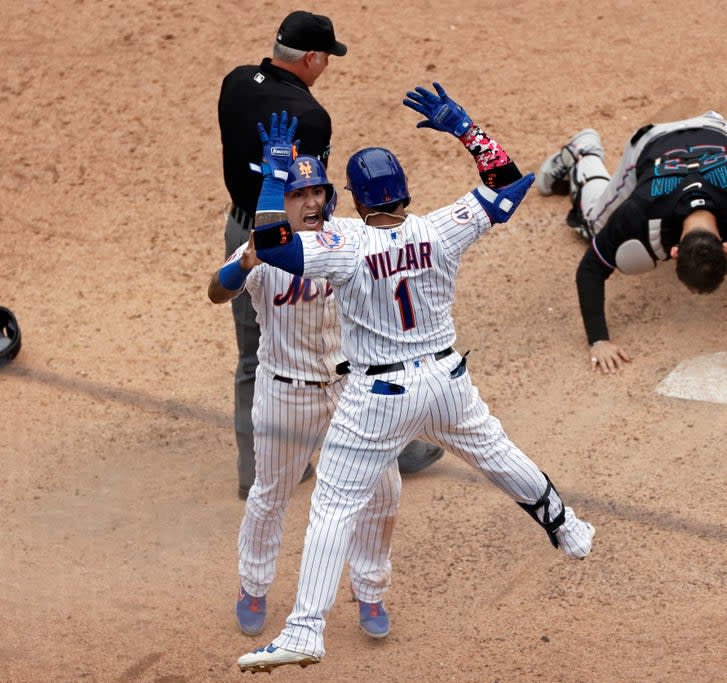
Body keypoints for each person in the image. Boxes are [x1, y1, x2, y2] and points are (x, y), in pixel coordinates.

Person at [235, 84, 596, 674]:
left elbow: (273, 247)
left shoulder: (343, 243)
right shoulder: (441, 227)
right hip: (447, 383)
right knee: (497, 452)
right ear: (403, 191)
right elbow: (509, 187)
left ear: (351, 197)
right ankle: (569, 529)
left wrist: (276, 179)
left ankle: (304, 630)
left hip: (378, 398)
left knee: (332, 506)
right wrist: (464, 127)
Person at [217, 11, 441, 499]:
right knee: (345, 341)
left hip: (241, 227)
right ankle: (394, 449)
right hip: (298, 242)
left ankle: (254, 471)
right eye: (327, 58)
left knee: (257, 354)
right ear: (313, 58)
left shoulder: (235, 82)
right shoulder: (311, 117)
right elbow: (310, 192)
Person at [208, 155, 401, 640]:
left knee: (383, 491)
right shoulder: (261, 249)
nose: (312, 201)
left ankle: (371, 590)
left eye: (317, 191)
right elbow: (216, 290)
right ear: (282, 203)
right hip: (285, 395)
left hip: (351, 389)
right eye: (298, 194)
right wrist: (246, 261)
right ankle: (253, 586)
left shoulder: (351, 238)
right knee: (271, 497)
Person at [535, 111, 727, 374]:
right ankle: (584, 153)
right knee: (594, 226)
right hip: (651, 144)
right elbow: (590, 269)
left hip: (718, 132)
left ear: (673, 252)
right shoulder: (638, 209)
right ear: (725, 247)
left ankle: (586, 153)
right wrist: (598, 339)